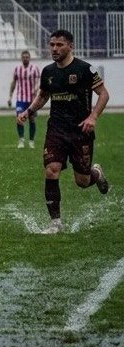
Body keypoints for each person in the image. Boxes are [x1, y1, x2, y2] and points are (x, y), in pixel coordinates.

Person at [17, 30, 110, 234]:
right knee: (51, 170)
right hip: (56, 129)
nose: (54, 49)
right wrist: (29, 111)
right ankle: (55, 223)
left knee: (82, 181)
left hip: (80, 131)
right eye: (51, 45)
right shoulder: (48, 71)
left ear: (70, 46)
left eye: (59, 45)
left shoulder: (86, 69)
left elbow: (103, 94)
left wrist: (92, 117)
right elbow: (43, 95)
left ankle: (96, 173)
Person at [10, 49, 41, 148]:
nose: (25, 59)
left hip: (31, 99)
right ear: (21, 58)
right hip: (20, 99)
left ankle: (31, 141)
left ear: (30, 58)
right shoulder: (17, 69)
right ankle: (21, 140)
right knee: (19, 118)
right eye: (23, 57)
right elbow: (14, 82)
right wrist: (10, 96)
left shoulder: (34, 69)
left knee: (31, 119)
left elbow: (37, 83)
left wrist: (35, 92)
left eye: (27, 57)